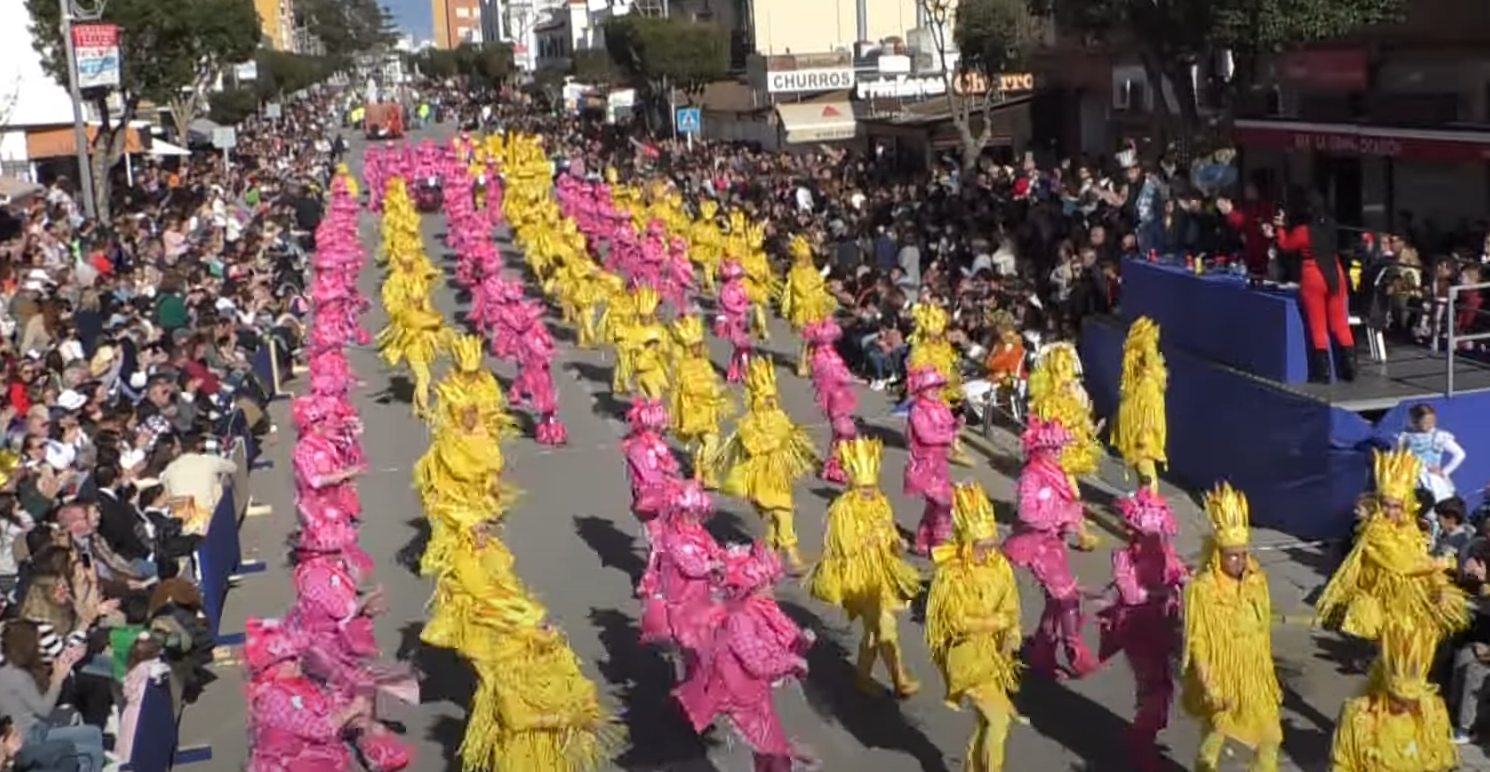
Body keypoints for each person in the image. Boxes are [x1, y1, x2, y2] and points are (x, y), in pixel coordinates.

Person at [673, 541, 816, 772]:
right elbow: (757, 663)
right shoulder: (740, 619)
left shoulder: (758, 611)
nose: (772, 588)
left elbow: (776, 649)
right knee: (770, 752)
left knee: (770, 748)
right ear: (752, 587)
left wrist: (802, 644)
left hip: (754, 693)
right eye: (767, 583)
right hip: (741, 698)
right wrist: (793, 661)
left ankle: (786, 755)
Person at [1315, 449, 1469, 648]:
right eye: (1385, 505)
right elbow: (1403, 565)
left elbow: (1417, 556)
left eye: (1396, 506)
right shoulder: (1376, 532)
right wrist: (1446, 563)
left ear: (1406, 505)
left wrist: (1435, 586)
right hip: (1382, 602)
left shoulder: (1410, 527)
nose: (1389, 511)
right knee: (1399, 658)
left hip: (1407, 602)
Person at [806, 438, 921, 698]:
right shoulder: (842, 509)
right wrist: (872, 538)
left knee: (874, 631)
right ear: (852, 484)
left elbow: (890, 533)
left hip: (882, 575)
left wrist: (896, 544)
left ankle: (862, 676)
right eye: (863, 488)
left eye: (871, 486)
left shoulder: (882, 503)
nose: (869, 492)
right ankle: (899, 678)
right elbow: (843, 546)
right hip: (859, 580)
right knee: (886, 626)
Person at [1182, 483, 1282, 772]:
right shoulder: (1203, 589)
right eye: (1232, 555)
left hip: (1256, 677)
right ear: (1217, 554)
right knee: (1217, 735)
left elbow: (1263, 628)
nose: (1240, 561)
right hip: (1223, 676)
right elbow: (1197, 640)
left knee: (1271, 737)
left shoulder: (1256, 581)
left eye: (1243, 554)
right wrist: (1209, 684)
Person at [925, 482, 1022, 772]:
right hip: (966, 659)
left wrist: (1012, 630)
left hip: (993, 657)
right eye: (982, 546)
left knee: (986, 722)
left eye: (992, 544)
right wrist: (994, 622)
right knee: (999, 721)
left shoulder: (999, 566)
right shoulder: (951, 576)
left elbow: (1010, 604)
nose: (988, 551)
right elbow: (955, 622)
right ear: (967, 542)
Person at [1098, 489, 1188, 772]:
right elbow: (1131, 593)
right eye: (1148, 534)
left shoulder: (1166, 555)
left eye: (1158, 534)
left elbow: (1179, 575)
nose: (1156, 539)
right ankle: (1140, 744)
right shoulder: (1123, 559)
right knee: (1154, 691)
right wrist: (1163, 592)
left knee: (1163, 687)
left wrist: (1187, 580)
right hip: (1138, 629)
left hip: (1163, 627)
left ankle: (1142, 734)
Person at [1005, 417, 1098, 678]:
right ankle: (1074, 650)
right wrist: (1058, 517)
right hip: (1034, 546)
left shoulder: (1056, 474)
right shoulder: (1031, 477)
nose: (1060, 453)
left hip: (1053, 544)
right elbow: (1026, 513)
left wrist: (1070, 522)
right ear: (1040, 450)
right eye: (1055, 449)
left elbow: (1064, 506)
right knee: (1067, 597)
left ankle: (1042, 652)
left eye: (1061, 448)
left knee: (1056, 600)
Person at [713, 358, 818, 572]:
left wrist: (794, 442)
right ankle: (793, 555)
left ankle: (768, 556)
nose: (771, 402)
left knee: (773, 518)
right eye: (766, 398)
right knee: (783, 511)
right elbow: (751, 444)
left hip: (779, 472)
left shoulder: (779, 416)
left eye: (773, 398)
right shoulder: (749, 422)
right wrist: (770, 443)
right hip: (761, 474)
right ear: (757, 399)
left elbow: (788, 434)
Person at [1330, 623, 1458, 772]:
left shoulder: (1433, 714)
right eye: (1398, 702)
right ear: (1385, 692)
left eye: (1412, 703)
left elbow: (1443, 761)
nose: (1405, 708)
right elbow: (1343, 765)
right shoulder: (1358, 716)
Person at [1268, 190, 1356, 383]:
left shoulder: (1303, 231)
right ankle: (1350, 369)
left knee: (1318, 326)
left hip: (1313, 274)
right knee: (1340, 324)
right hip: (1335, 272)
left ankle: (1323, 373)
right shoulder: (1332, 225)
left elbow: (1286, 246)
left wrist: (1280, 228)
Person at [0, 621, 104, 772]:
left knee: (94, 733)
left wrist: (57, 677)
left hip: (34, 729)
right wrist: (57, 679)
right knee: (87, 751)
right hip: (24, 740)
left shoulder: (25, 669)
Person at [668, 316, 730, 489]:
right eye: (694, 346)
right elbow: (690, 387)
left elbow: (711, 378)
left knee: (705, 443)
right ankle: (706, 471)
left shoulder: (704, 362)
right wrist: (711, 389)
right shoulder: (684, 366)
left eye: (699, 345)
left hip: (708, 410)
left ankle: (699, 474)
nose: (698, 348)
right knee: (712, 442)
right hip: (695, 412)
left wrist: (718, 386)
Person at [1111, 316, 1168, 493]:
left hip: (1143, 438)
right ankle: (1145, 503)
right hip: (1136, 435)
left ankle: (1151, 509)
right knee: (1141, 472)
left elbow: (1150, 411)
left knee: (1146, 471)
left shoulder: (1147, 384)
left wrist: (1144, 433)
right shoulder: (1138, 381)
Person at [905, 365, 957, 554]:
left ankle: (922, 540)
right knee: (943, 504)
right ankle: (940, 545)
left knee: (935, 506)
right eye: (931, 387)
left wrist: (956, 427)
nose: (936, 390)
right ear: (921, 390)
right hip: (924, 467)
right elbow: (926, 435)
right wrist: (948, 436)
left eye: (938, 386)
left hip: (940, 465)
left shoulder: (942, 407)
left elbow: (950, 427)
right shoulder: (917, 410)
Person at [1396, 403, 1466, 504]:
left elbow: (1460, 454)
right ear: (1415, 421)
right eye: (1425, 422)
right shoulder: (1406, 437)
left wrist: (1444, 472)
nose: (1430, 424)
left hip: (1434, 480)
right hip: (1414, 480)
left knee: (1439, 503)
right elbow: (1400, 458)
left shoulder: (1438, 436)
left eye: (1432, 421)